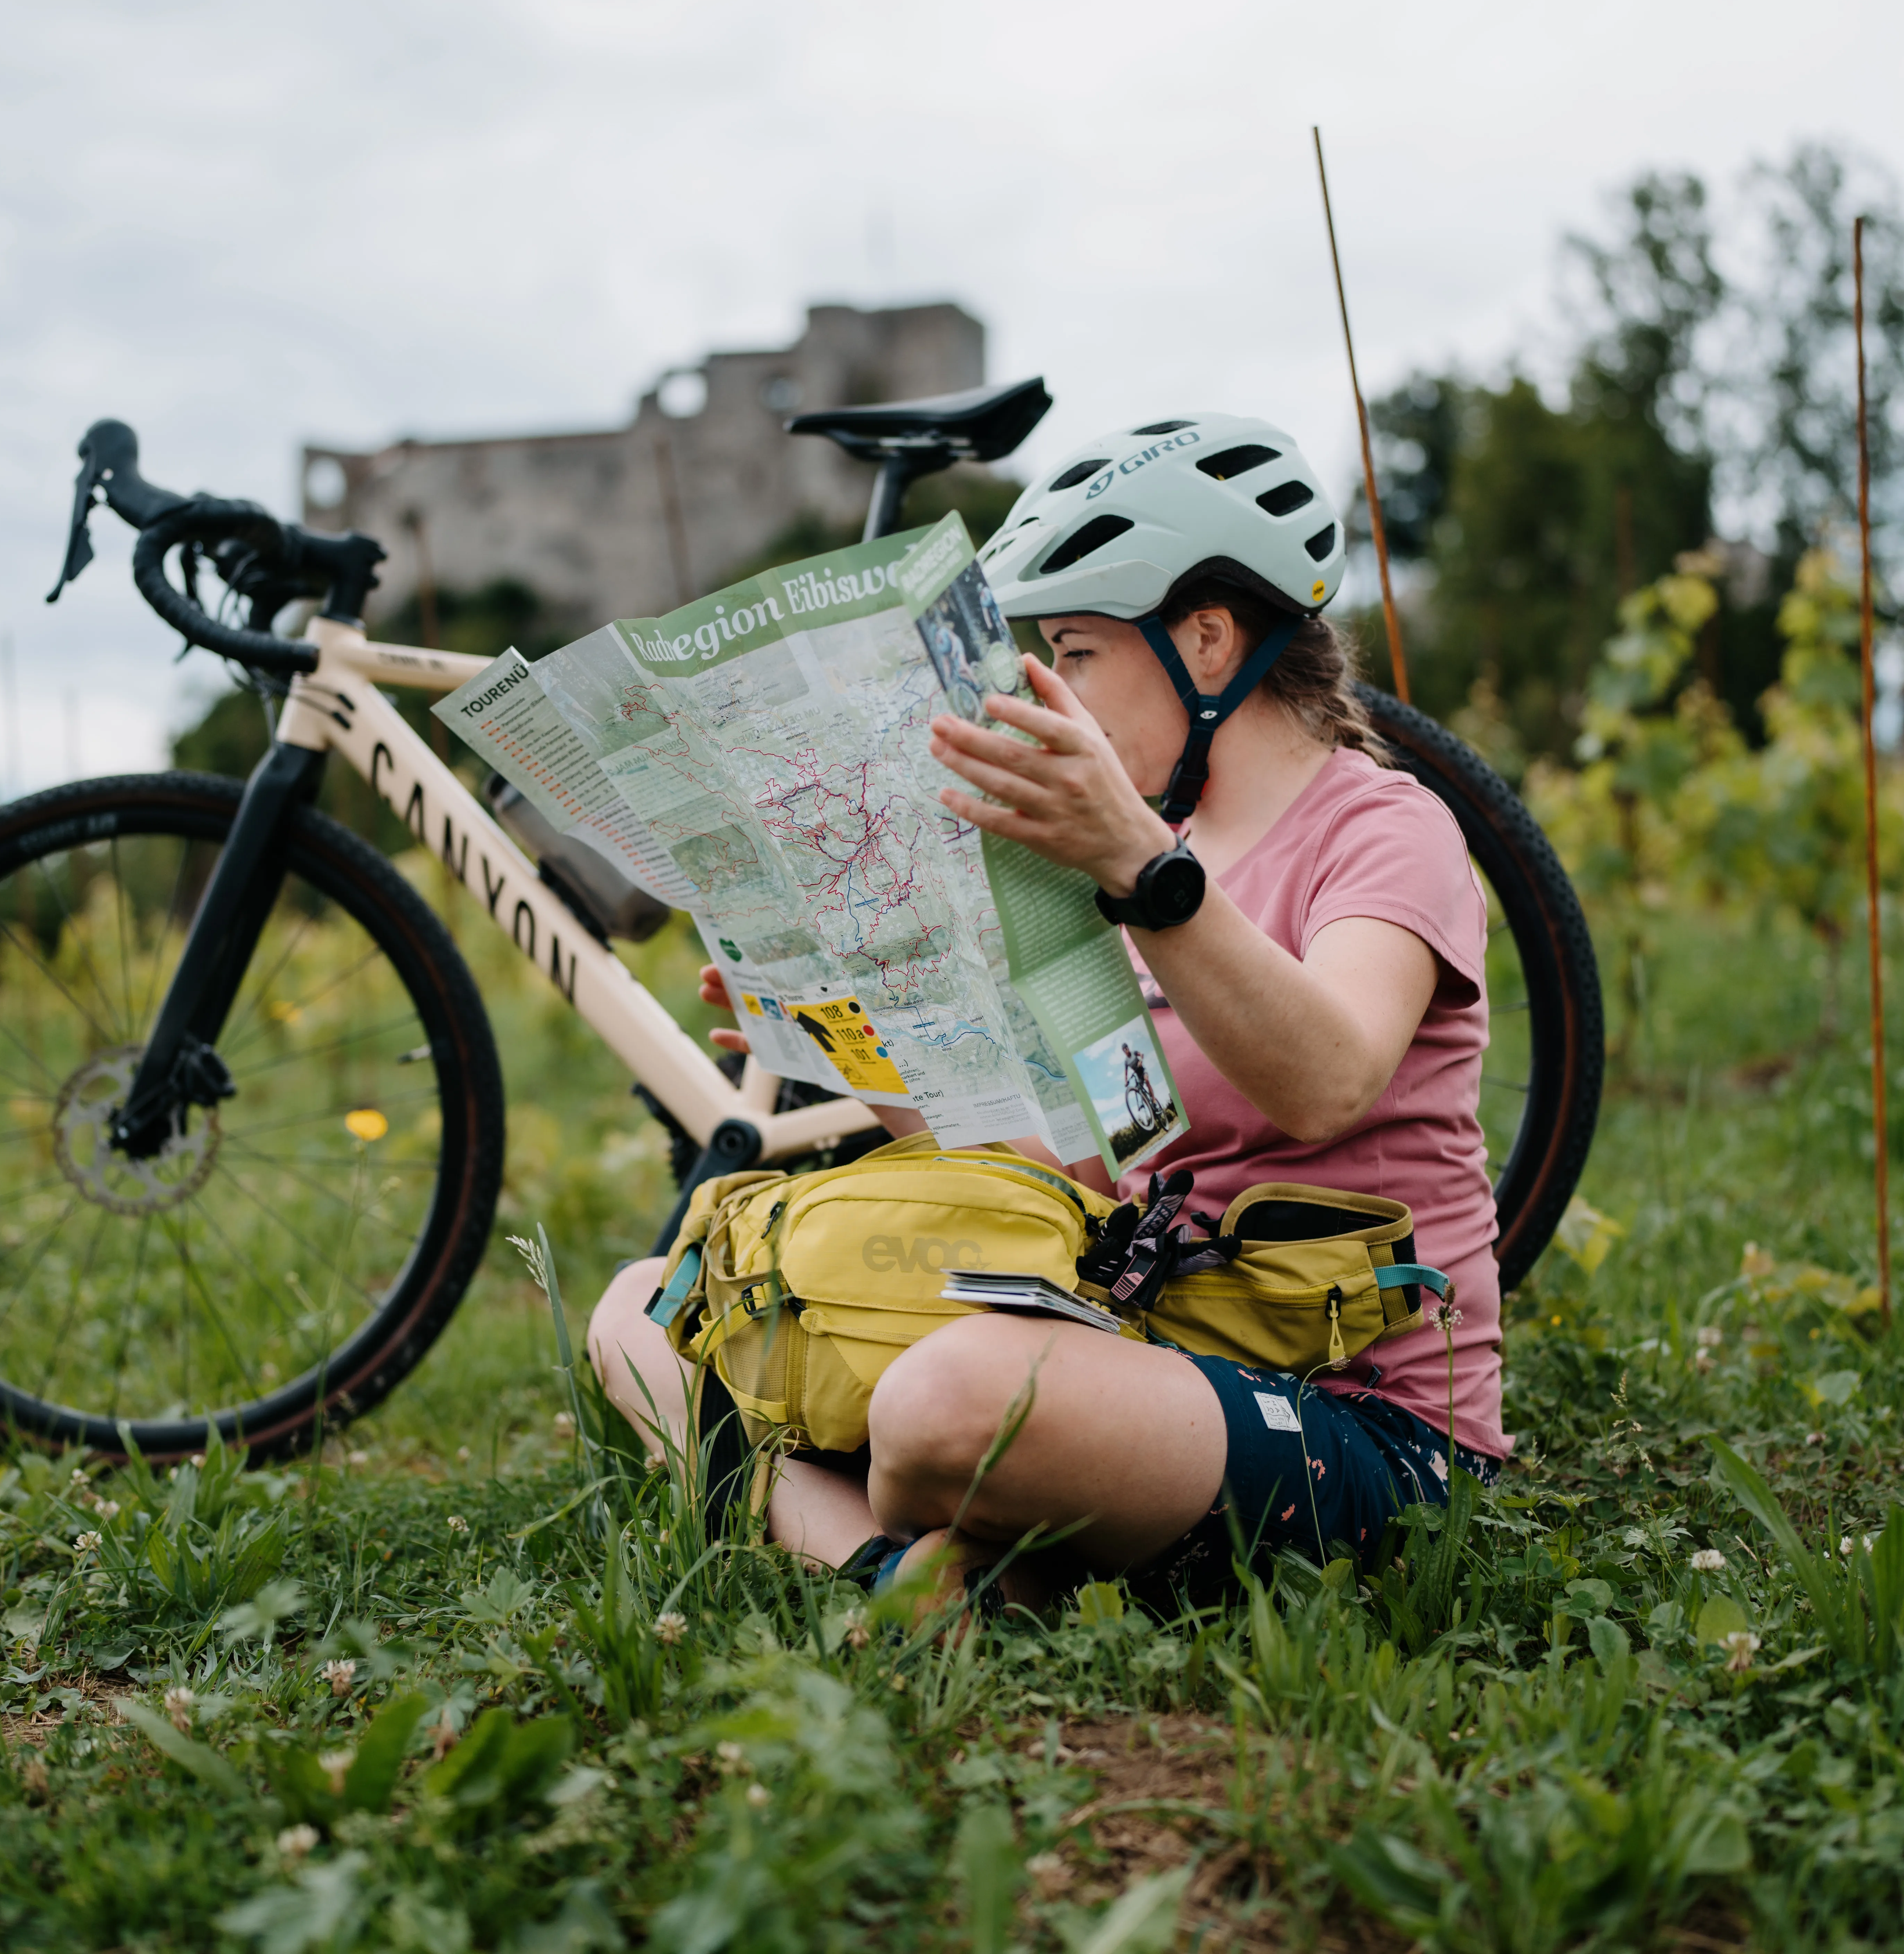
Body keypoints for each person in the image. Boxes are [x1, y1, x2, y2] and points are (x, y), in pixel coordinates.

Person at [587, 412, 1503, 1604]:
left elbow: (1328, 1077)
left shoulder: (1383, 828)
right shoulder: (1141, 851)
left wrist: (1141, 873)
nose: (1050, 690)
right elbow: (1081, 1179)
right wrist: (856, 1047)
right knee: (641, 1313)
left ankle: (908, 1530)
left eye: (1073, 653)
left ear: (1210, 643)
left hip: (1361, 1421)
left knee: (939, 1403)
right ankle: (893, 1571)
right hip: (1144, 1359)